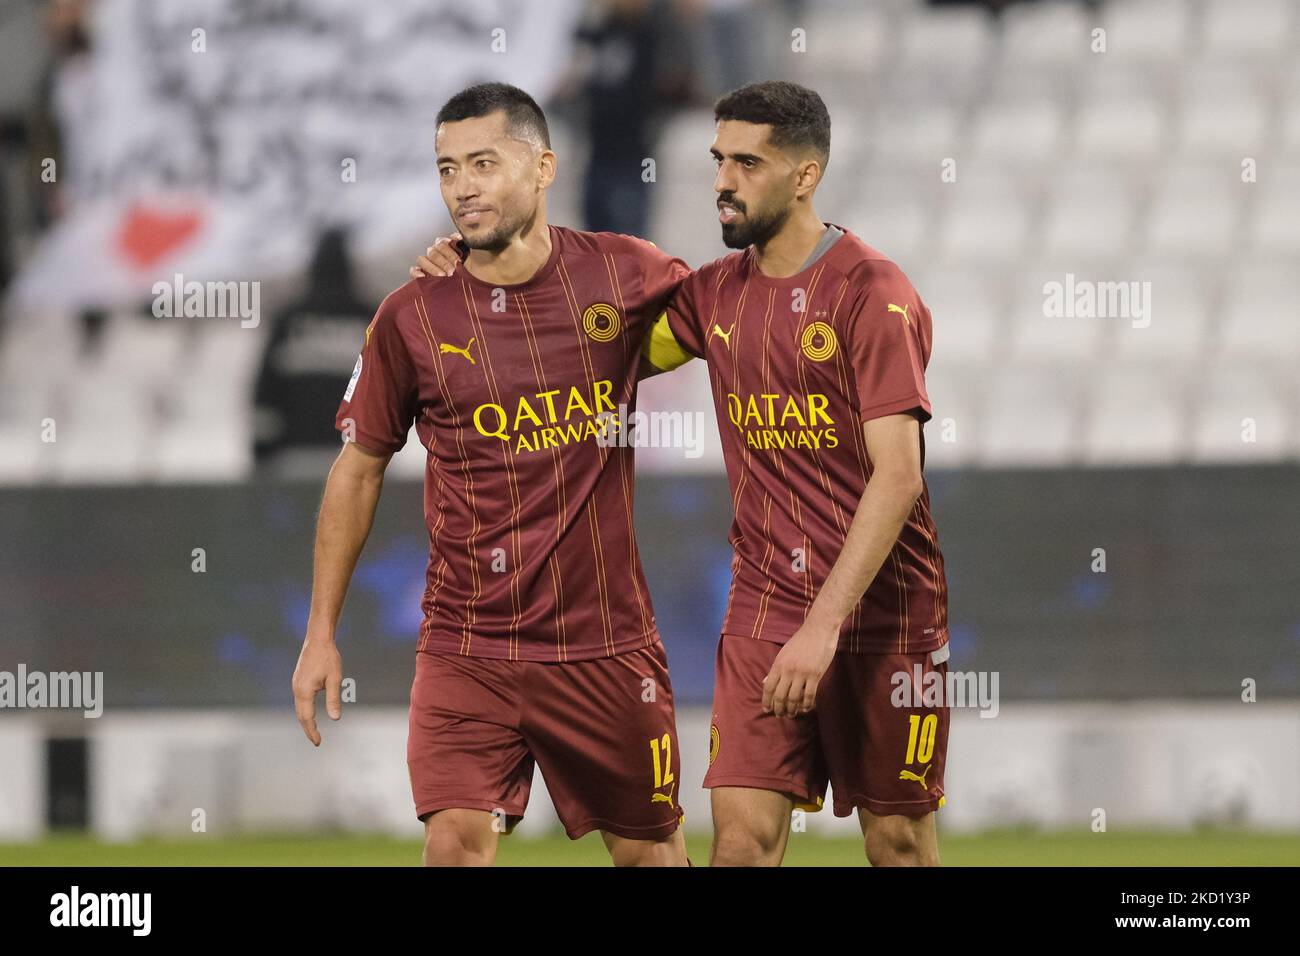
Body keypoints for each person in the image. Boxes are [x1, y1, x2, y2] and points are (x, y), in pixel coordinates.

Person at [413, 81, 951, 866]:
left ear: (805, 177)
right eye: (717, 160)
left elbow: (898, 477)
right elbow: (581, 340)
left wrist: (823, 626)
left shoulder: (874, 293)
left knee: (898, 844)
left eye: (748, 163)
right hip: (766, 607)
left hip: (884, 613)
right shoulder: (712, 296)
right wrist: (472, 272)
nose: (723, 181)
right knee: (739, 843)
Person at [293, 82, 691, 866]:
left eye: (482, 162)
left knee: (652, 855)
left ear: (542, 167)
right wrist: (320, 632)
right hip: (466, 644)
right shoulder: (411, 317)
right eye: (446, 169)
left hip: (604, 645)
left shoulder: (623, 274)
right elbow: (358, 470)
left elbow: (739, 325)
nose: (462, 186)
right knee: (454, 846)